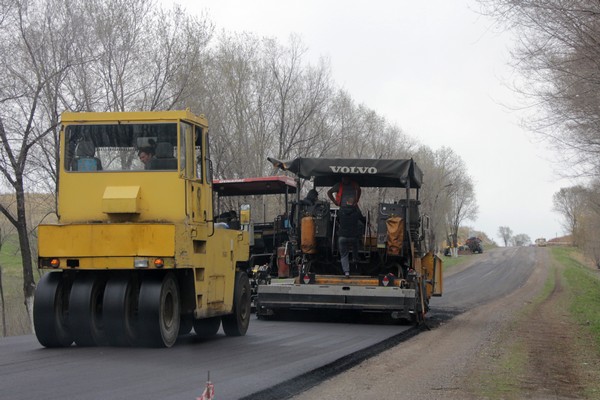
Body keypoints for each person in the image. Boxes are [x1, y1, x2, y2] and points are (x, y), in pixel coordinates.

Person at [337, 197, 366, 277]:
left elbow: (337, 219)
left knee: (344, 255)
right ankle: (355, 259)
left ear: (346, 202)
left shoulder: (341, 211)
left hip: (342, 236)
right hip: (353, 236)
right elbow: (362, 220)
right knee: (355, 247)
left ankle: (346, 272)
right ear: (354, 203)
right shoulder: (356, 212)